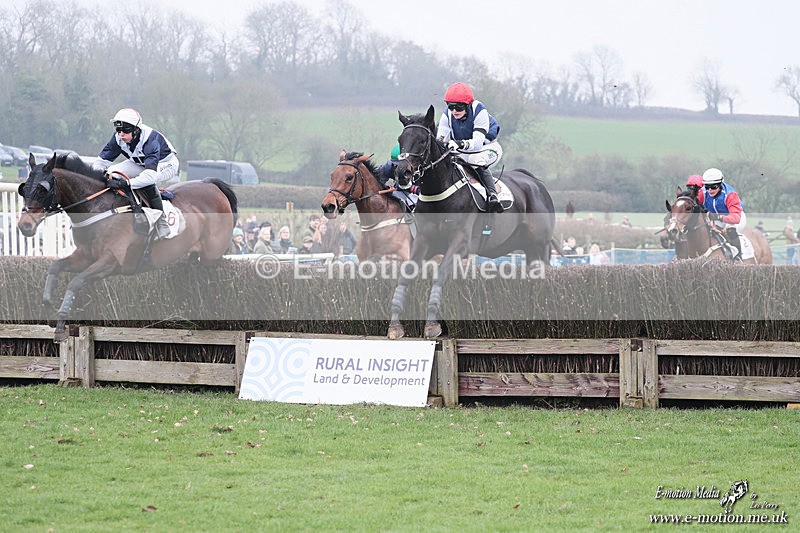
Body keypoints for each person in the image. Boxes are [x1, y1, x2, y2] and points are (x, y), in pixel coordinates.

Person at [94, 108, 178, 239]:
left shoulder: (151, 140)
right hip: (140, 163)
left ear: (136, 129)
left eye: (125, 130)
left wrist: (127, 183)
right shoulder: (118, 138)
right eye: (118, 130)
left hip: (166, 165)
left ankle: (161, 222)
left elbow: (150, 176)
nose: (121, 134)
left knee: (146, 181)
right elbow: (101, 163)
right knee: (111, 173)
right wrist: (95, 177)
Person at [436, 82, 503, 213]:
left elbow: (477, 143)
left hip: (488, 148)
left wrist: (459, 143)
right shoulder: (447, 115)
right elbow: (440, 140)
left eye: (459, 107)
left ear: (467, 105)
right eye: (451, 107)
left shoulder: (479, 111)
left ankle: (493, 195)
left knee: (476, 161)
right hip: (464, 151)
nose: (454, 111)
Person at [701, 167, 746, 260]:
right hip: (716, 218)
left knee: (731, 230)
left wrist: (718, 217)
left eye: (713, 187)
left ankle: (738, 258)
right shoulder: (703, 192)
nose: (709, 190)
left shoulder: (730, 194)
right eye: (707, 186)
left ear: (720, 184)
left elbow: (736, 218)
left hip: (735, 217)